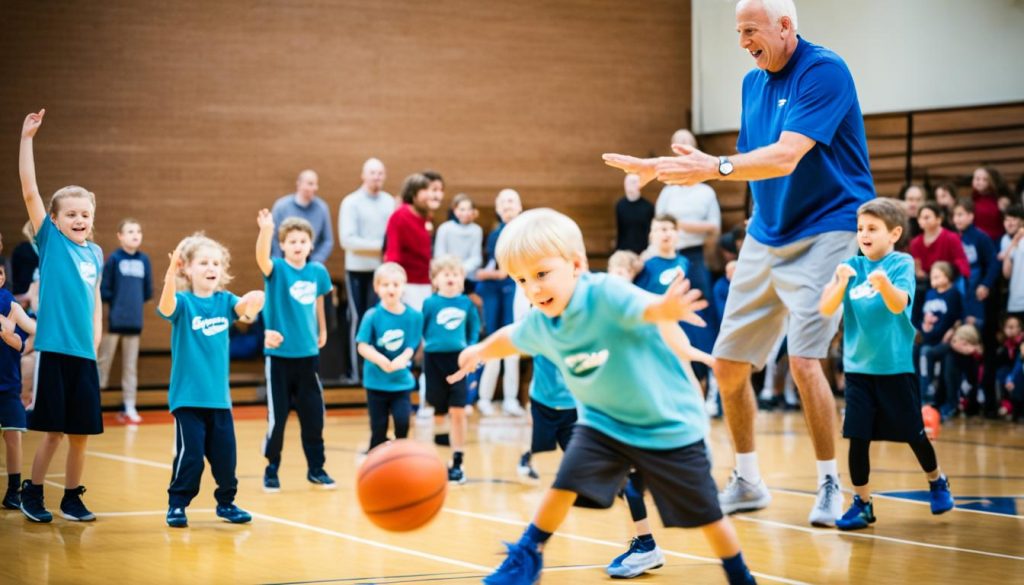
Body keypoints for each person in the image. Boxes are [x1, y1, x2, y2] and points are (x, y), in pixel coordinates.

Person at [604, 0, 876, 525]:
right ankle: (748, 479)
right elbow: (753, 168)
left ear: (784, 26)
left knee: (803, 358)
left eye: (750, 30)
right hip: (767, 232)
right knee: (728, 366)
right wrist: (671, 171)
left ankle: (828, 485)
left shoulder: (825, 70)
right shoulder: (754, 82)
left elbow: (785, 155)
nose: (743, 41)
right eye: (737, 32)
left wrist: (715, 166)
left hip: (829, 226)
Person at [447, 209, 755, 585]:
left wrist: (666, 308)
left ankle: (739, 575)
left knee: (707, 515)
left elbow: (644, 307)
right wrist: (478, 350)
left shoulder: (605, 293)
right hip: (603, 425)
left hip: (667, 425)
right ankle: (526, 555)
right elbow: (511, 336)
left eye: (542, 274)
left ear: (576, 264)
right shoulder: (543, 321)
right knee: (563, 485)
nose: (534, 289)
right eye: (521, 279)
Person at [819, 197, 954, 531]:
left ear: (893, 233)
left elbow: (898, 306)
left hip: (894, 368)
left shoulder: (900, 263)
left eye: (873, 228)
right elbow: (826, 309)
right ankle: (863, 504)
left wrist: (883, 285)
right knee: (857, 436)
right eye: (861, 228)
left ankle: (936, 480)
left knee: (914, 434)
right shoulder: (851, 265)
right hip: (858, 370)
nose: (864, 234)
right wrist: (838, 282)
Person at [18, 110, 105, 524]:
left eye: (84, 214)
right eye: (70, 214)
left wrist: (96, 340)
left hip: (84, 355)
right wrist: (27, 139)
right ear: (54, 220)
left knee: (81, 436)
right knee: (53, 432)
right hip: (54, 349)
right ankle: (32, 493)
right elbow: (31, 191)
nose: (79, 220)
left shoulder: (96, 253)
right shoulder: (51, 243)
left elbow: (94, 301)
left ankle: (72, 497)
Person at [158, 234, 265, 528]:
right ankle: (177, 504)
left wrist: (254, 301)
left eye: (216, 263)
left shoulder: (225, 301)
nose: (211, 267)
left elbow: (246, 311)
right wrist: (169, 273)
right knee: (190, 456)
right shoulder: (182, 303)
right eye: (203, 262)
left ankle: (227, 503)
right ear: (187, 269)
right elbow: (165, 307)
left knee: (226, 458)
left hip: (219, 398)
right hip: (187, 398)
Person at [255, 211, 335, 492]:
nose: (298, 245)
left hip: (308, 357)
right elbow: (261, 259)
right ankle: (271, 468)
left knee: (313, 416)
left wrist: (323, 330)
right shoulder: (276, 269)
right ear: (283, 245)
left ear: (311, 245)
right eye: (292, 241)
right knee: (277, 420)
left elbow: (319, 303)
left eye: (303, 240)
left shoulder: (318, 272)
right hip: (278, 358)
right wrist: (266, 230)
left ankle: (316, 469)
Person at [421, 255, 480, 484]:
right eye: (446, 274)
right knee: (437, 412)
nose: (451, 278)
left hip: (459, 360)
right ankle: (432, 460)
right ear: (435, 280)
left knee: (458, 411)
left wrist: (472, 350)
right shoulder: (430, 303)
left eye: (455, 274)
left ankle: (457, 460)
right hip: (433, 360)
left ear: (462, 279)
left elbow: (474, 328)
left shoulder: (466, 303)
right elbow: (421, 328)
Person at [355, 263, 423, 450]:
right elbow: (362, 346)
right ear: (377, 288)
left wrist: (403, 359)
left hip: (401, 382)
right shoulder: (372, 315)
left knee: (402, 424)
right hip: (376, 382)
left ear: (404, 286)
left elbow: (412, 344)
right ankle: (375, 464)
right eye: (385, 285)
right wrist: (381, 361)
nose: (390, 289)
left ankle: (399, 462)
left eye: (395, 284)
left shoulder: (414, 316)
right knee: (378, 429)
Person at [339, 158, 395, 381]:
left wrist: (385, 250)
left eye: (380, 173)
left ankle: (378, 370)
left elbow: (392, 236)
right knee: (358, 319)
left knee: (380, 319)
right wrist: (381, 247)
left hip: (382, 273)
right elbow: (348, 240)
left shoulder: (389, 201)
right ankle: (356, 373)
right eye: (372, 173)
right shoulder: (351, 202)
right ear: (363, 175)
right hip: (357, 272)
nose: (376, 177)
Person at [476, 189, 527, 417]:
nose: (508, 205)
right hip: (495, 291)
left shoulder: (527, 233)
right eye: (503, 201)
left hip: (516, 290)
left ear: (519, 207)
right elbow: (492, 266)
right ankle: (484, 398)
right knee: (493, 342)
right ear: (498, 208)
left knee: (512, 345)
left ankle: (510, 400)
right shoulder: (495, 234)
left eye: (512, 201)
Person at [97, 218, 153, 424]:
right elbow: (104, 289)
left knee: (130, 367)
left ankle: (129, 406)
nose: (135, 235)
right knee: (103, 363)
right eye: (130, 231)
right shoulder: (113, 259)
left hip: (134, 322)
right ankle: (93, 404)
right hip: (113, 322)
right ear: (120, 236)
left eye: (138, 231)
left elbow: (147, 291)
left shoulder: (144, 260)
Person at [654, 129, 721, 299]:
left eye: (687, 143)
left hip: (698, 256)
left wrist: (678, 223)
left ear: (696, 149)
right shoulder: (667, 192)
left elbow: (714, 228)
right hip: (669, 255)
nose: (683, 147)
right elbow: (657, 226)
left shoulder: (706, 192)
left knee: (702, 302)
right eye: (678, 143)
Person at [383, 172, 443, 312]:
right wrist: (394, 285)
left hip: (424, 283)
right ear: (413, 193)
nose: (430, 195)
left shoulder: (425, 217)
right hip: (408, 285)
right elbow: (393, 253)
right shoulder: (399, 216)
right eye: (425, 190)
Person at [1, 285, 34, 510]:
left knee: (14, 436)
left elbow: (34, 332)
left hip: (8, 384)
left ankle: (14, 491)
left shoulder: (9, 302)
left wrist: (16, 341)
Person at [269, 169, 333, 264]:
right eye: (310, 184)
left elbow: (328, 240)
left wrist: (316, 261)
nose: (315, 188)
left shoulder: (322, 208)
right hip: (284, 262)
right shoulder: (281, 206)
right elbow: (273, 237)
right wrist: (279, 263)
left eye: (316, 184)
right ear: (299, 184)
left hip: (310, 263)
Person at [434, 193, 484, 293]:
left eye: (469, 209)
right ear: (455, 210)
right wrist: (451, 271)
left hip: (467, 278)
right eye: (462, 209)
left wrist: (461, 270)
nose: (466, 212)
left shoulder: (476, 230)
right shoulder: (444, 228)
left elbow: (476, 257)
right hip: (446, 276)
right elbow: (439, 254)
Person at [614, 174, 655, 254]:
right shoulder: (620, 205)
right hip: (624, 249)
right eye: (627, 183)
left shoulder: (648, 207)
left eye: (633, 182)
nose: (629, 186)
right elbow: (619, 230)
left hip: (643, 250)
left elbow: (650, 231)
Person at [971, 166, 1006, 241]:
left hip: (995, 240)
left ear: (992, 182)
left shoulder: (1001, 199)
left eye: (984, 179)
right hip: (977, 240)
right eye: (976, 178)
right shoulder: (974, 199)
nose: (978, 181)